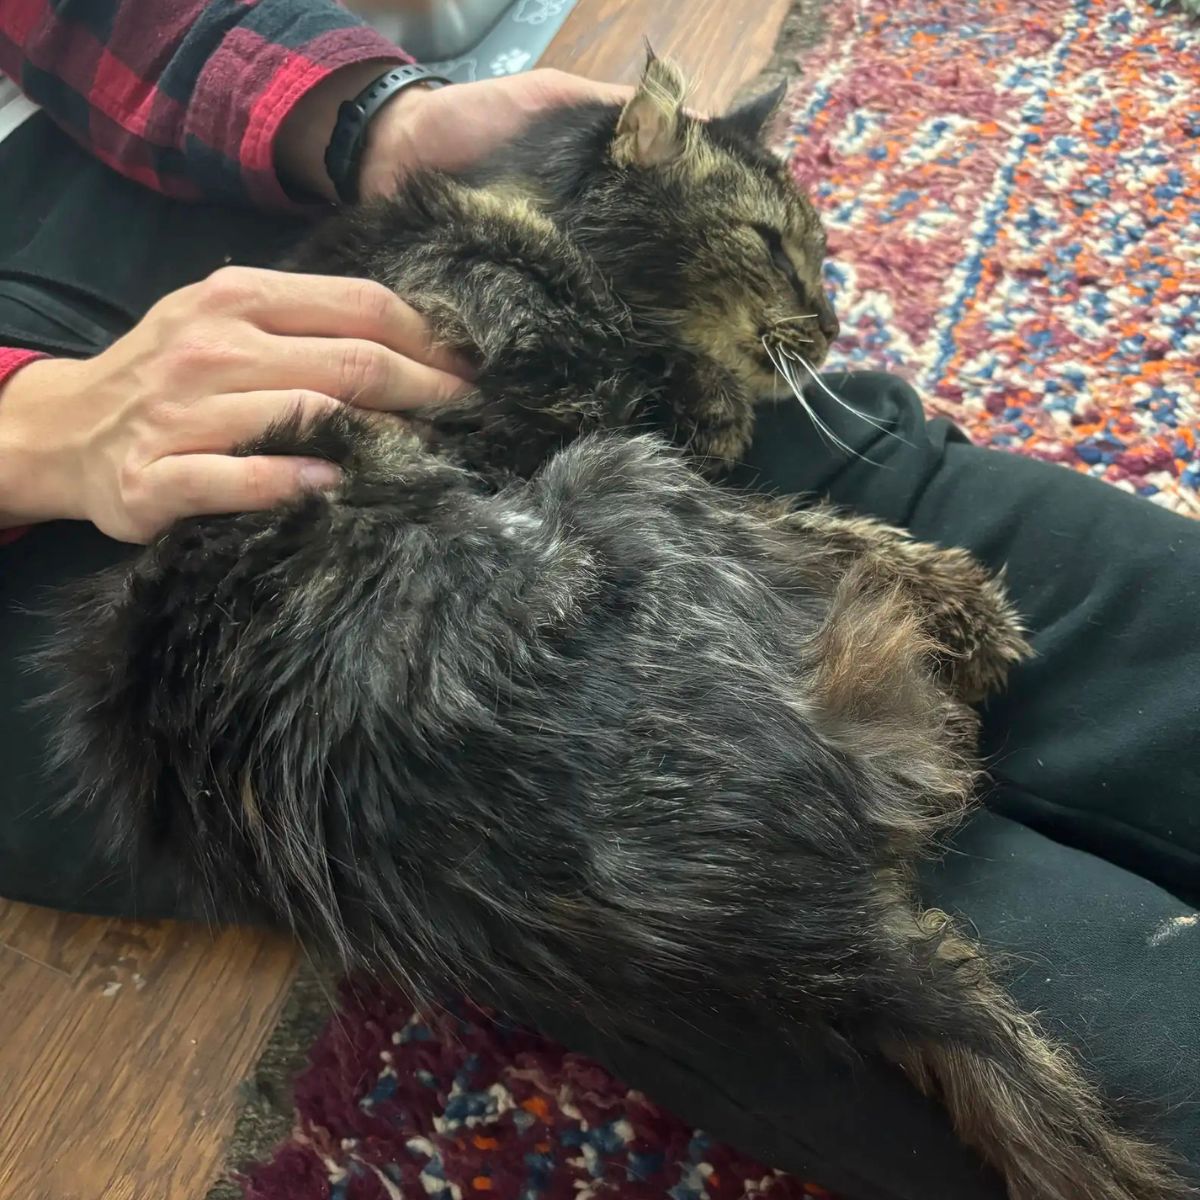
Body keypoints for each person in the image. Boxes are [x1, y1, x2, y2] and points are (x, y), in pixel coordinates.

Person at [0, 3, 1196, 1198]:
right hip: (79, 558)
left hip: (128, 209)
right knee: (607, 828)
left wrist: (370, 118)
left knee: (822, 457)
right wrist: (31, 429)